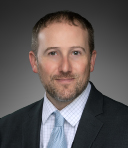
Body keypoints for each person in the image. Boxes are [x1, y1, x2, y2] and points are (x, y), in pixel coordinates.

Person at [0, 10, 128, 148]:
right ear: (34, 62)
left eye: (75, 53)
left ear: (91, 60)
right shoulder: (4, 130)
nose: (65, 68)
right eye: (53, 53)